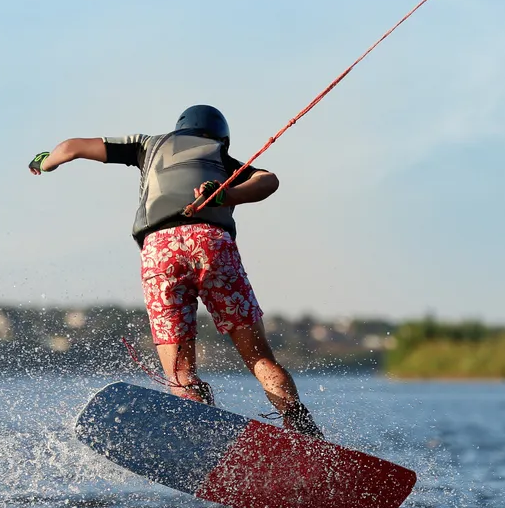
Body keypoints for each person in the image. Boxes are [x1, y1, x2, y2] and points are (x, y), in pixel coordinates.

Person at [29, 105, 324, 438]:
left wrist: (45, 162)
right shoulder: (222, 160)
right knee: (259, 358)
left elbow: (71, 147)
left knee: (180, 372)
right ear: (221, 137)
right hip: (212, 245)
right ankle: (303, 430)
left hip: (160, 252)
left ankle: (203, 433)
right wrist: (227, 194)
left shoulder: (146, 145)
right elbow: (268, 181)